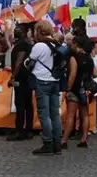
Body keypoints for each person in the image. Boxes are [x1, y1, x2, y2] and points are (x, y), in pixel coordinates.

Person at [29, 21, 63, 156]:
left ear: (39, 31)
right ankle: (57, 144)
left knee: (44, 114)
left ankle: (47, 143)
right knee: (55, 114)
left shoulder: (39, 46)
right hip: (55, 81)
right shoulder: (58, 45)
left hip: (42, 81)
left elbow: (30, 63)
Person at [61, 36, 94, 149]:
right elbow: (94, 74)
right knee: (85, 115)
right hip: (85, 90)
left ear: (76, 44)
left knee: (70, 116)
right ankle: (84, 139)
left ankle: (64, 140)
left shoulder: (74, 57)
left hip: (75, 89)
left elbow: (72, 75)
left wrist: (68, 89)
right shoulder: (89, 58)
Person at [7, 25, 34, 142]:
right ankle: (28, 130)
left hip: (21, 79)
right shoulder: (25, 44)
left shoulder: (22, 45)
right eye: (15, 30)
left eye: (19, 30)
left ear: (24, 33)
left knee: (21, 104)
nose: (16, 32)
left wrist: (13, 77)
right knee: (27, 104)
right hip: (26, 78)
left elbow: (19, 61)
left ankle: (20, 131)